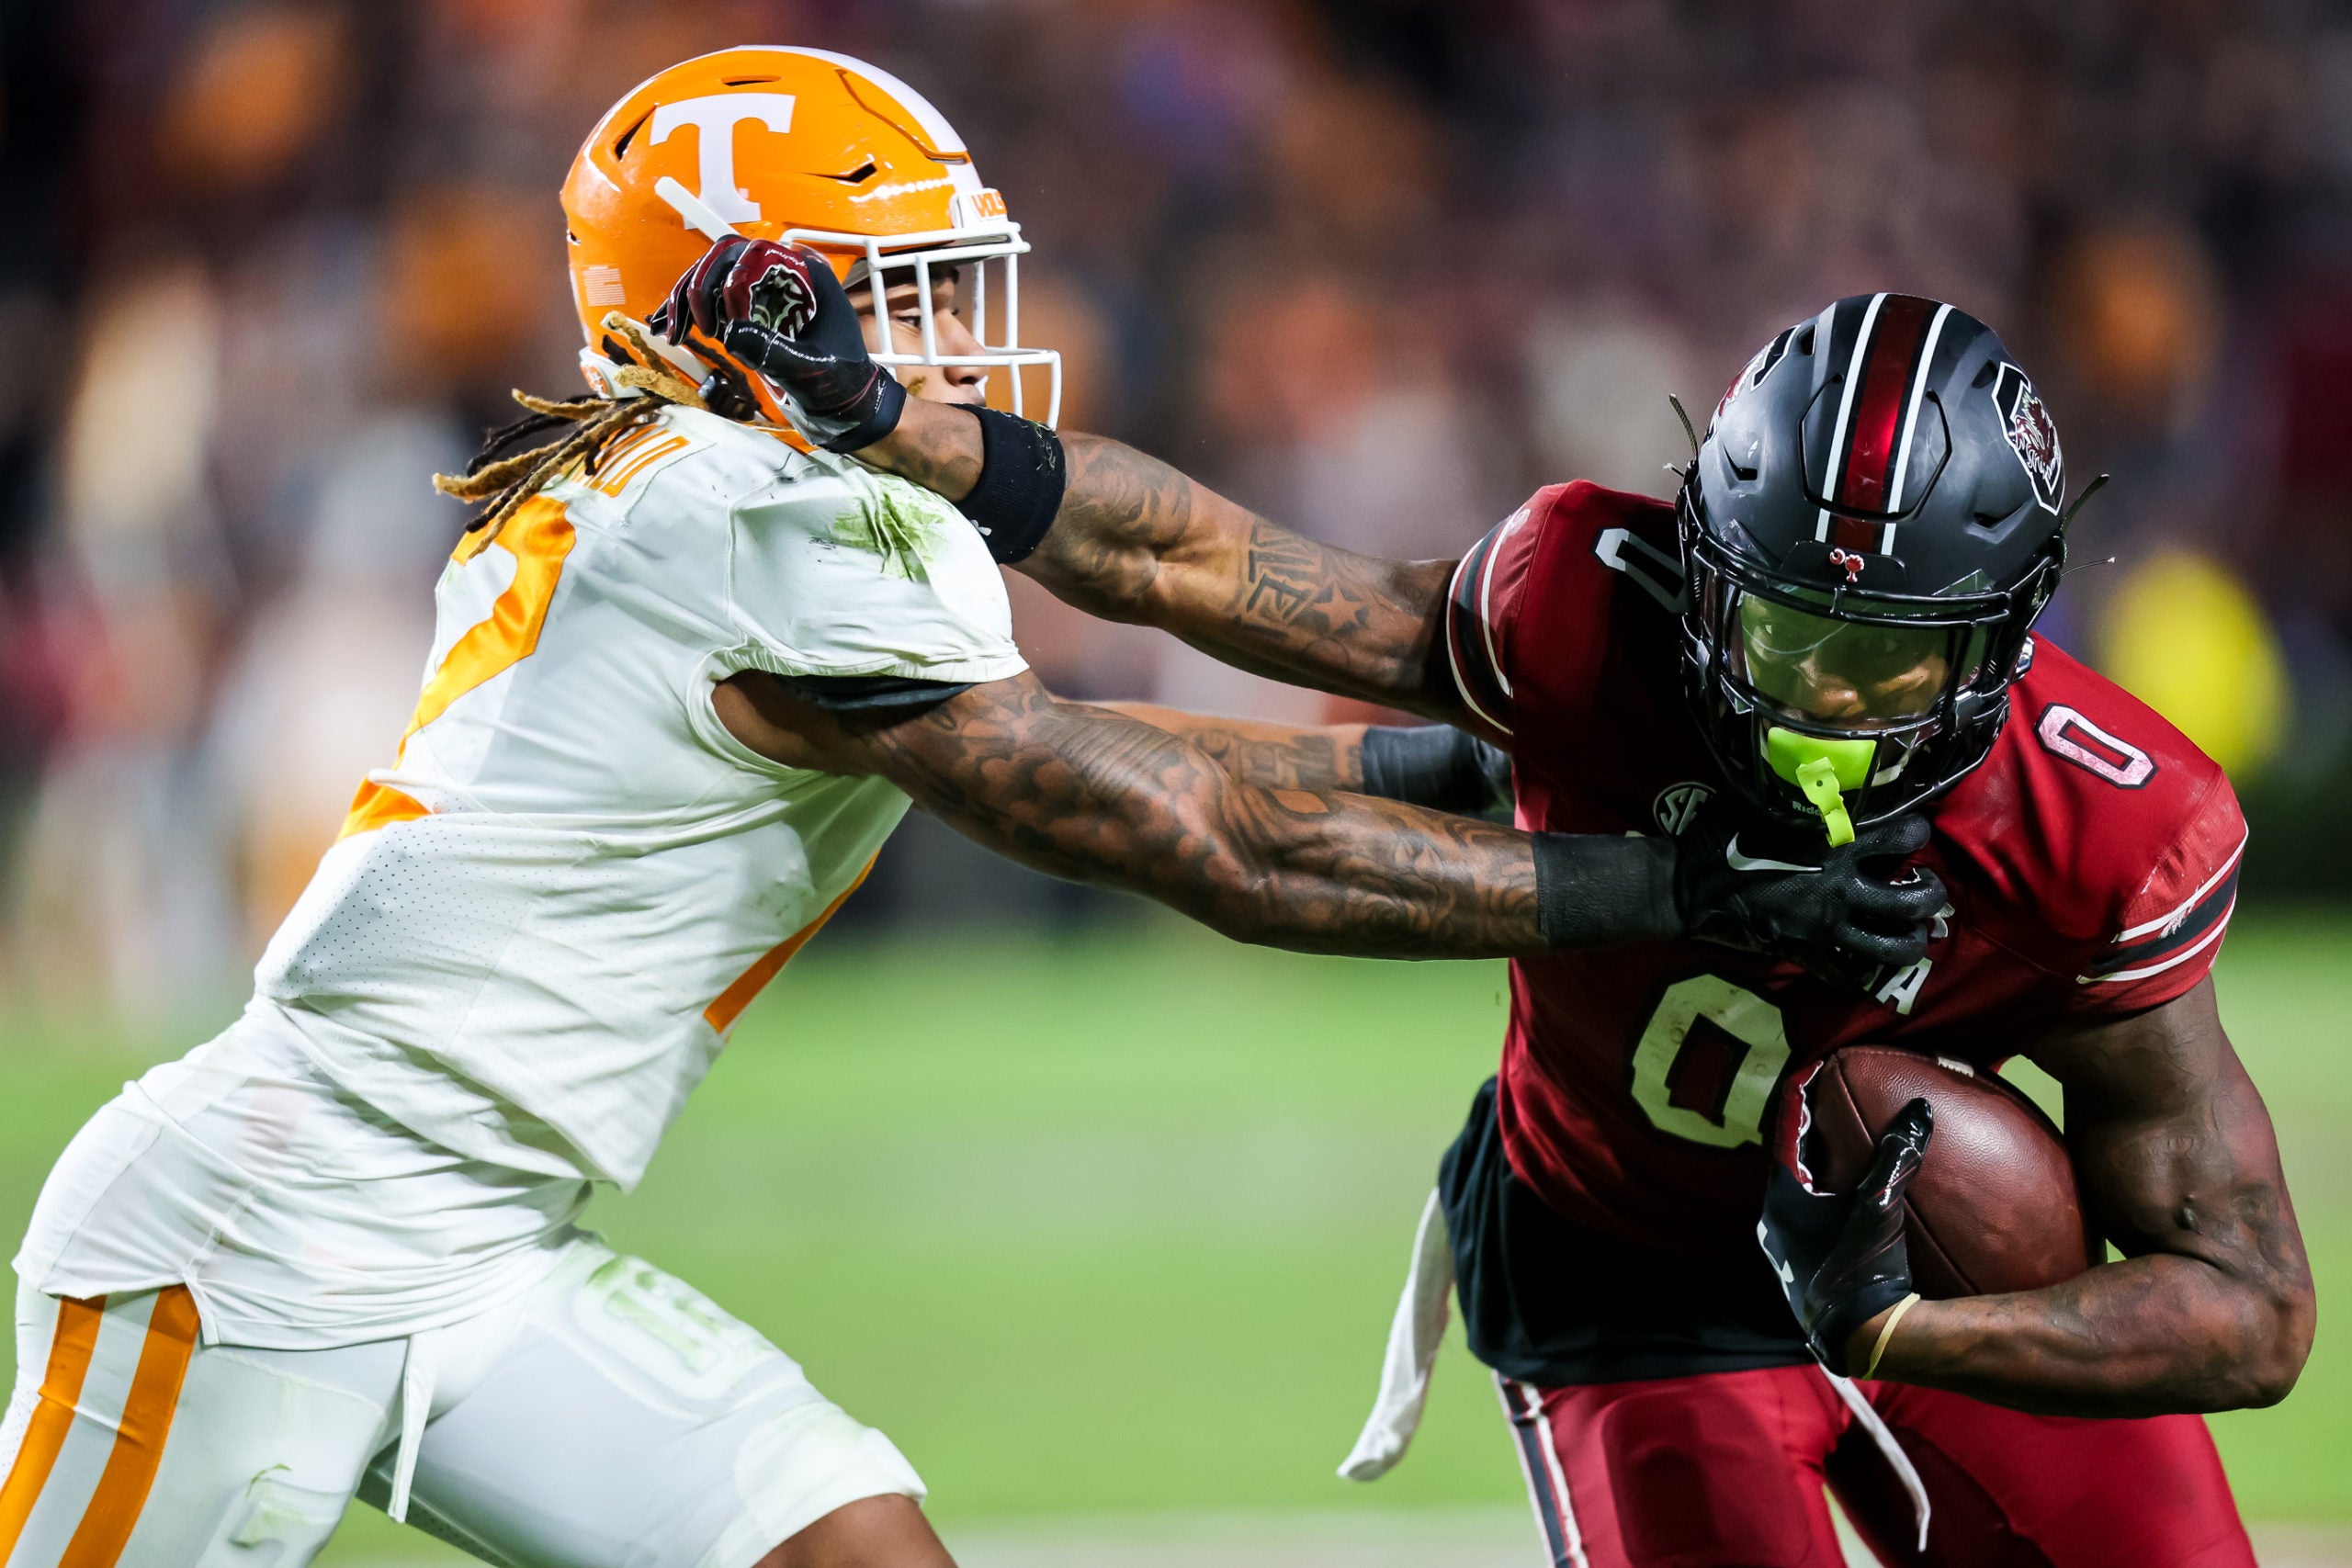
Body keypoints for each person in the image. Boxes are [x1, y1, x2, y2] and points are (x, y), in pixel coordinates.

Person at [0, 49, 1931, 1568]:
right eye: (880, 296)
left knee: (854, 1547)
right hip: (263, 1232)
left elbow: (1129, 699)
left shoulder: (663, 474)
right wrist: (1649, 879)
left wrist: (1475, 756)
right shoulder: (757, 514)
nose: (931, 341)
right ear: (739, 303)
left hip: (472, 1236)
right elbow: (1182, 826)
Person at [733, 257, 2315, 1565]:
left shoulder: (2105, 820)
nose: (1817, 703)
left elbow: (2252, 1310)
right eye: (1777, 629)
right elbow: (1200, 561)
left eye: (1883, 660)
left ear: (1999, 641)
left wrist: (1907, 1330)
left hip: (1928, 1276)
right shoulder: (1579, 603)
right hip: (1618, 1275)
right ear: (1699, 563)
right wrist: (892, 425)